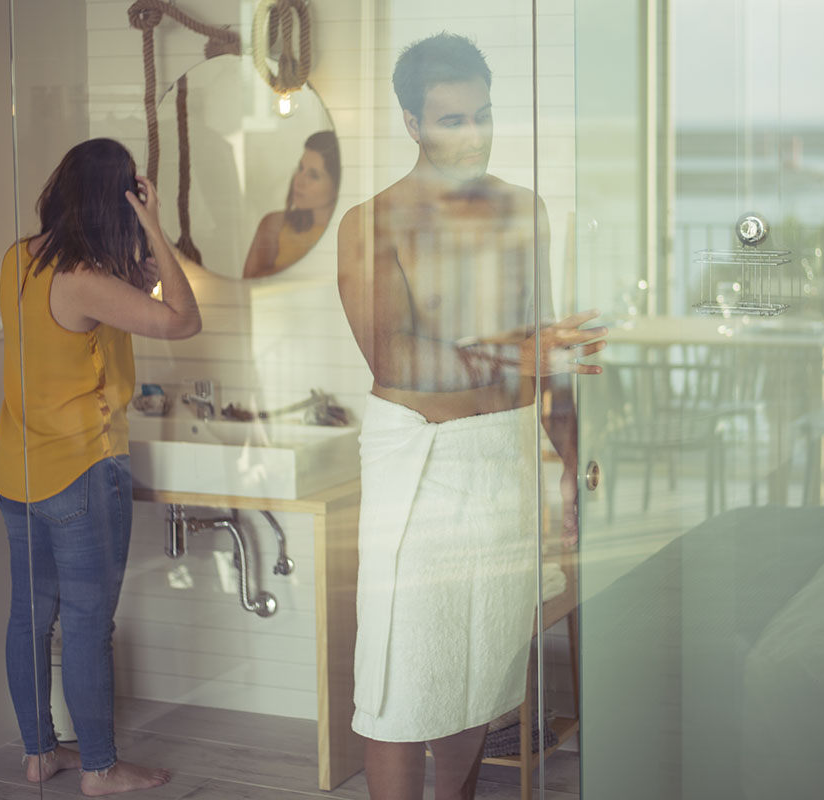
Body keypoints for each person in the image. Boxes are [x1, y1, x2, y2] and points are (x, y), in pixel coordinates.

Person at [336, 34, 605, 800]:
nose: (474, 134)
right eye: (451, 119)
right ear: (413, 124)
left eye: (482, 114)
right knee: (400, 682)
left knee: (477, 671)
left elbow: (549, 354)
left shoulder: (524, 210)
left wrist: (573, 467)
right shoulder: (373, 222)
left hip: (503, 458)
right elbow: (393, 356)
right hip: (421, 464)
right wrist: (519, 351)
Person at [0, 138, 201, 796]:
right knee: (87, 625)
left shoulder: (19, 259)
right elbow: (183, 320)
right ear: (118, 202)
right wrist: (155, 226)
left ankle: (39, 754)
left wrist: (135, 266)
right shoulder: (86, 280)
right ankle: (100, 769)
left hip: (17, 472)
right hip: (81, 474)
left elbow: (105, 311)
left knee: (30, 618)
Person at [243, 130, 341, 278]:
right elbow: (250, 282)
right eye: (301, 168)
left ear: (337, 185)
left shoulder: (350, 233)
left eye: (313, 175)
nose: (299, 181)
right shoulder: (274, 225)